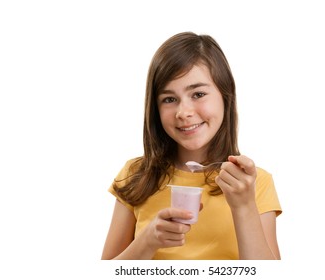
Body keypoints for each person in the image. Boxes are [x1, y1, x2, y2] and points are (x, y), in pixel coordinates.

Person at [101, 32, 282, 260]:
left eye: (198, 94)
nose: (183, 112)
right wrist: (147, 242)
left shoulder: (254, 182)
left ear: (225, 96)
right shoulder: (136, 176)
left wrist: (244, 206)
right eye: (169, 99)